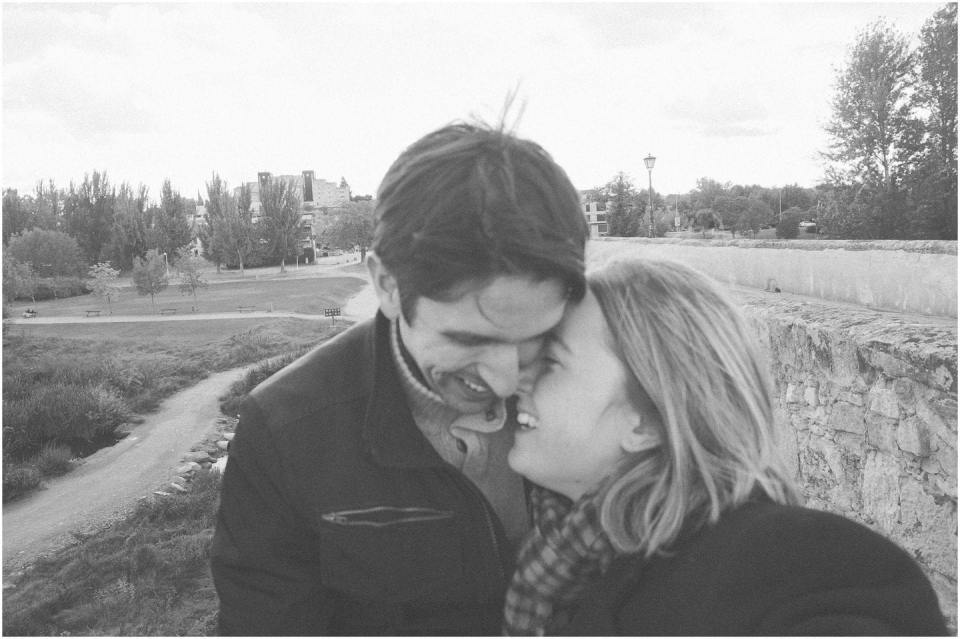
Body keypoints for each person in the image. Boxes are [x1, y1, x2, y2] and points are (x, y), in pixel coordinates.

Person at [210, 120, 590, 635]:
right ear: (388, 285)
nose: (506, 381)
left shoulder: (616, 384)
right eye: (469, 340)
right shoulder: (284, 431)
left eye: (536, 337)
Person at [504, 257, 948, 636]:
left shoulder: (794, 564)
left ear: (648, 420)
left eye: (550, 362)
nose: (515, 381)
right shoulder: (556, 555)